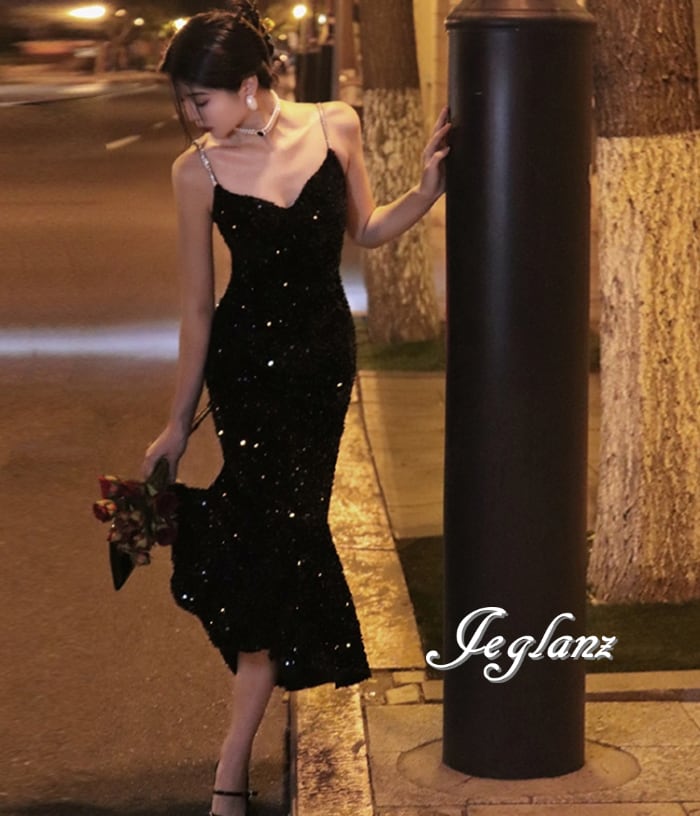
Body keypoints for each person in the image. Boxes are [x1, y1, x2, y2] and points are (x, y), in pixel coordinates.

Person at [142, 4, 450, 815]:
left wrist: (425, 192)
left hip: (320, 370)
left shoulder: (335, 124)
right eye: (186, 101)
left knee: (284, 537)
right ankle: (231, 765)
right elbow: (197, 311)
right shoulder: (195, 173)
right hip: (246, 373)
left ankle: (234, 759)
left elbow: (367, 230)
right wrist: (176, 421)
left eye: (200, 99)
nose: (192, 115)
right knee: (274, 542)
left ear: (248, 85)